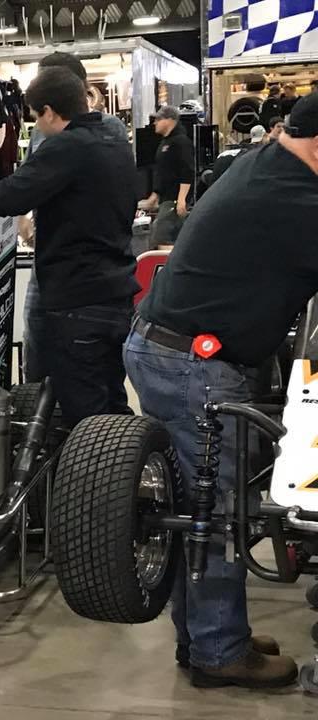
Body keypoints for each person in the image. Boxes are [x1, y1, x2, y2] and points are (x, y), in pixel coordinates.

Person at [124, 92, 318, 690]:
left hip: (167, 348)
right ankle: (218, 650)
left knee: (196, 504)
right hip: (193, 364)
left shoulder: (264, 163)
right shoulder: (297, 198)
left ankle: (204, 634)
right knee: (217, 507)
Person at [0, 67, 138, 426]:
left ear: (49, 112)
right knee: (111, 397)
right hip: (115, 288)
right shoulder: (114, 137)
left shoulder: (67, 145)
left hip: (77, 295)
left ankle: (93, 480)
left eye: (36, 117)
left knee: (85, 413)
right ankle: (128, 468)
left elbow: (13, 194)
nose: (37, 127)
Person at [19, 51, 130, 385]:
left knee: (84, 357)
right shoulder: (44, 129)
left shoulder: (105, 129)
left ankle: (84, 426)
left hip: (83, 264)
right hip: (50, 254)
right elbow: (32, 175)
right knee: (37, 335)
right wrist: (24, 214)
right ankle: (38, 409)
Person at [139, 106, 195, 246]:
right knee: (159, 238)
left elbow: (187, 170)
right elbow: (163, 173)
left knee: (161, 239)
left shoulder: (181, 142)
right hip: (165, 199)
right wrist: (154, 196)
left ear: (170, 120)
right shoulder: (165, 143)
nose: (154, 123)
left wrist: (181, 199)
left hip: (174, 200)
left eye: (158, 119)